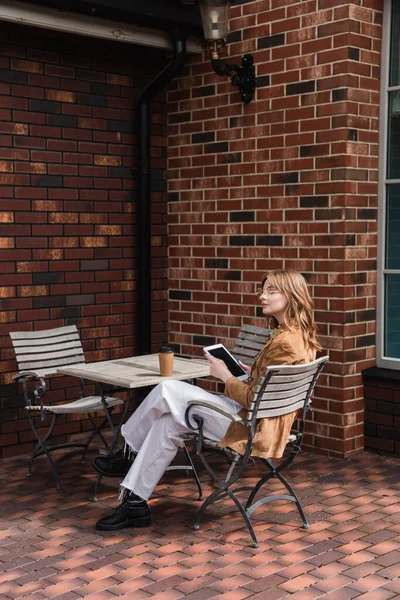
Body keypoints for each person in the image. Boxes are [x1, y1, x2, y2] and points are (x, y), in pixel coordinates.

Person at [93, 269, 322, 531]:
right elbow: (267, 392)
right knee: (167, 424)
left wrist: (225, 376)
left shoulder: (285, 342)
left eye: (272, 291)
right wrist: (251, 373)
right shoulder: (298, 335)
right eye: (263, 289)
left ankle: (127, 453)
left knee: (167, 388)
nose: (262, 296)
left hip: (252, 428)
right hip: (261, 420)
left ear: (292, 296)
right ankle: (134, 504)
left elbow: (253, 400)